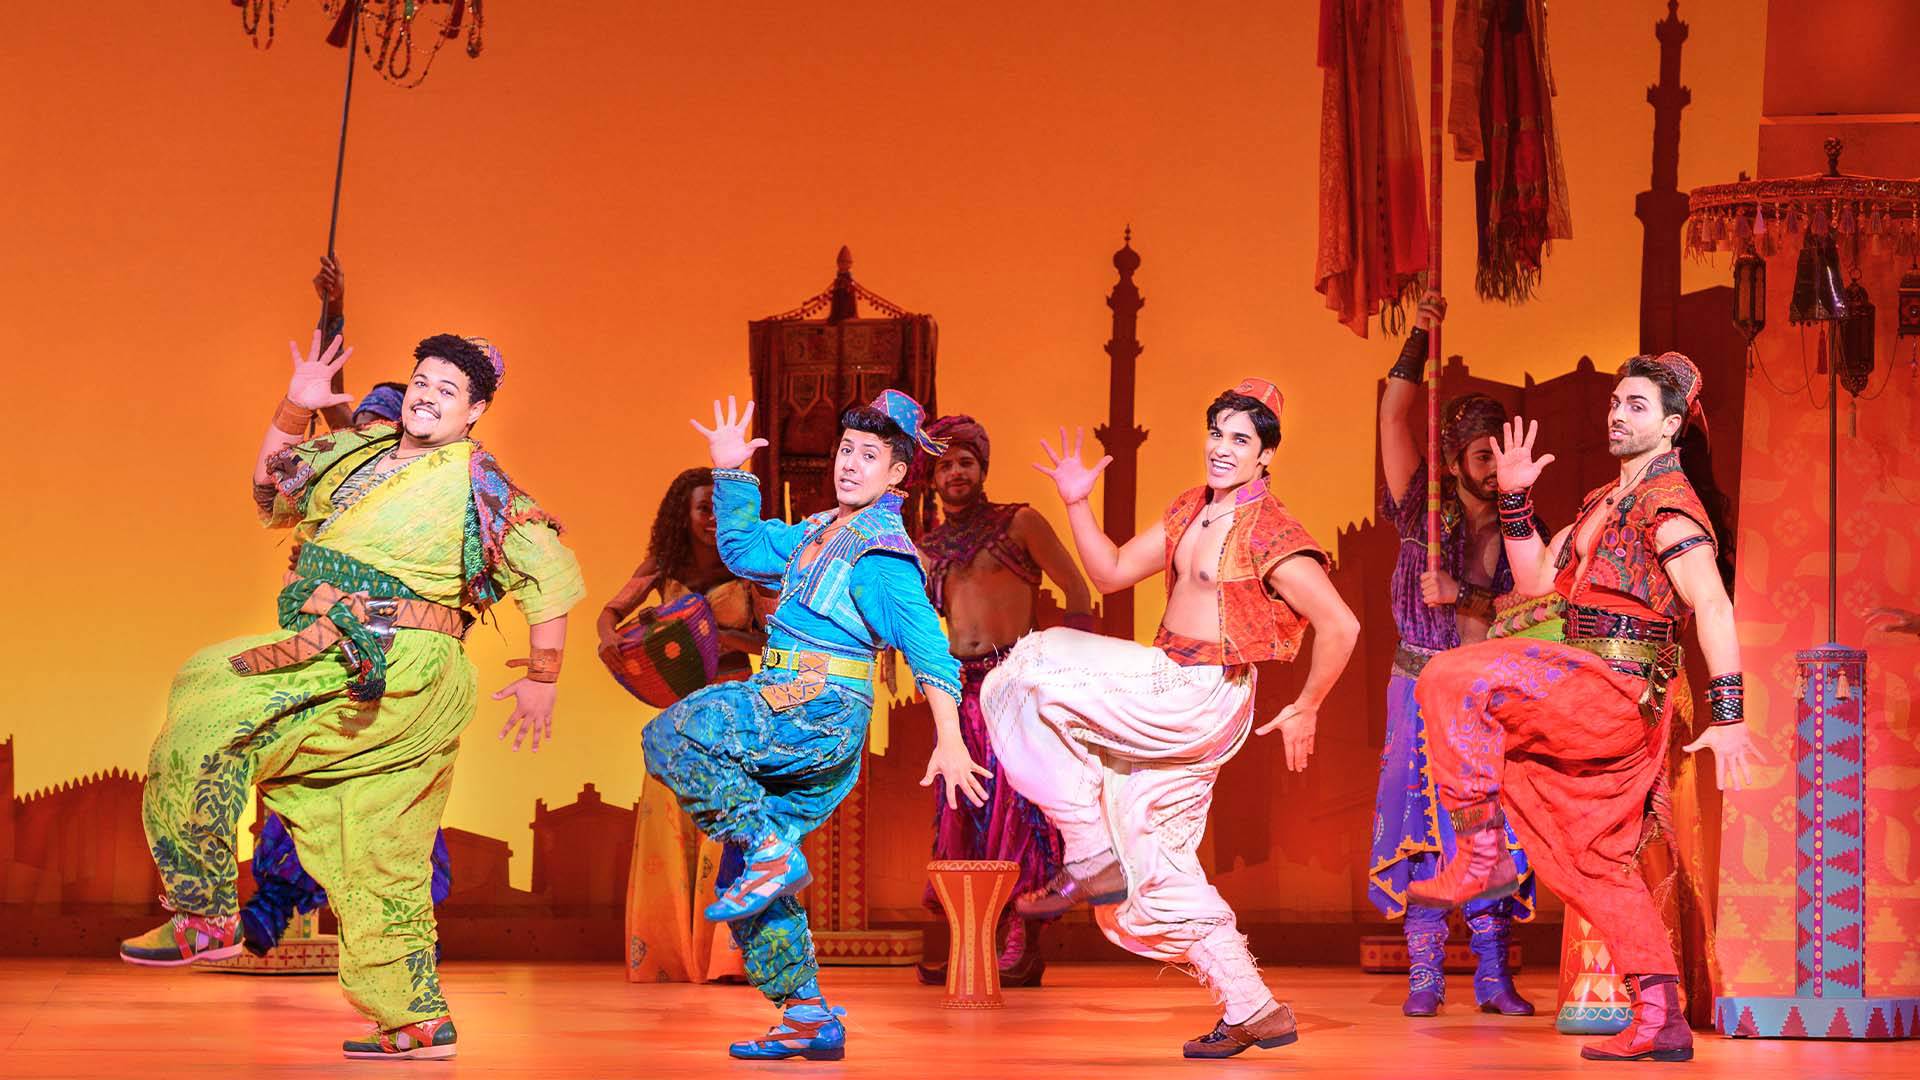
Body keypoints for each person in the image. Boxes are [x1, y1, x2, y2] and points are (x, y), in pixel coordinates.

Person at [122, 331, 583, 1062]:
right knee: (375, 846)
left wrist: (542, 678)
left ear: (476, 411)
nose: (428, 394)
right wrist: (292, 406)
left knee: (218, 707)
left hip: (402, 665)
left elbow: (546, 570)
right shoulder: (357, 455)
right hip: (333, 650)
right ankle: (414, 1020)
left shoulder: (477, 479)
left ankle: (205, 912)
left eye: (448, 389)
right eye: (422, 380)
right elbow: (271, 492)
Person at [983, 379, 1361, 1059]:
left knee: (1028, 666)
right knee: (1153, 864)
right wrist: (1075, 501)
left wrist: (1307, 706)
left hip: (1198, 690)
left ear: (1265, 455)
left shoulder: (1273, 532)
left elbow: (1341, 622)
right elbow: (1112, 572)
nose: (1222, 448)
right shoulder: (1193, 510)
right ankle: (1254, 1006)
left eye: (1240, 439)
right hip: (1172, 689)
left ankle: (1086, 843)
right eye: (1216, 433)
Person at [1410, 352, 1767, 1063]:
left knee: (1450, 676)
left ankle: (1481, 854)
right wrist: (1514, 499)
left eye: (1636, 405)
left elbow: (1712, 604)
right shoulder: (1608, 497)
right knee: (1587, 861)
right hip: (1574, 680)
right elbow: (1538, 579)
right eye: (1614, 401)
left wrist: (1730, 715)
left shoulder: (1671, 502)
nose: (1616, 413)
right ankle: (1660, 1014)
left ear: (1671, 426)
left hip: (1609, 684)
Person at [642, 393, 989, 1061]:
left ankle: (768, 849)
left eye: (869, 456)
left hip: (816, 704)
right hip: (793, 702)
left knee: (673, 733)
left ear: (895, 474)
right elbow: (743, 548)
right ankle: (806, 1015)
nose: (849, 465)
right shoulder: (818, 530)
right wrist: (727, 469)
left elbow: (927, 647)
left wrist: (950, 737)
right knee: (742, 881)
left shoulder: (880, 554)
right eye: (845, 450)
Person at [1367, 296, 1535, 1017]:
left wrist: (1465, 594)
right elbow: (1392, 417)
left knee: (1487, 825)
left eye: (1502, 455)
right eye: (1481, 454)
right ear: (1457, 455)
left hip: (1483, 697)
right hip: (1416, 684)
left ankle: (1494, 973)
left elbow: (1536, 613)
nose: (1493, 468)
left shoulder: (1523, 525)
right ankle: (1426, 971)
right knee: (1419, 821)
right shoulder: (1418, 507)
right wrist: (1420, 335)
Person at [913, 414, 1094, 987]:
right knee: (962, 811)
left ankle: (1022, 938)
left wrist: (1067, 674)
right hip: (961, 692)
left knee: (1020, 812)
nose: (956, 472)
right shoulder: (930, 547)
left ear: (982, 468)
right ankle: (972, 938)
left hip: (1017, 685)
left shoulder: (1019, 522)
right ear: (932, 479)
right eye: (945, 464)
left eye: (965, 461)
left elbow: (1078, 589)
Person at [607, 467, 766, 984]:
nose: (712, 519)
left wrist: (718, 635)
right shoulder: (665, 563)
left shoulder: (750, 564)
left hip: (734, 704)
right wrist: (613, 637)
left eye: (721, 508)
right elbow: (611, 611)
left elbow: (769, 640)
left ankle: (728, 957)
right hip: (679, 709)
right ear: (685, 512)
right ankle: (671, 953)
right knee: (671, 826)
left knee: (730, 825)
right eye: (703, 508)